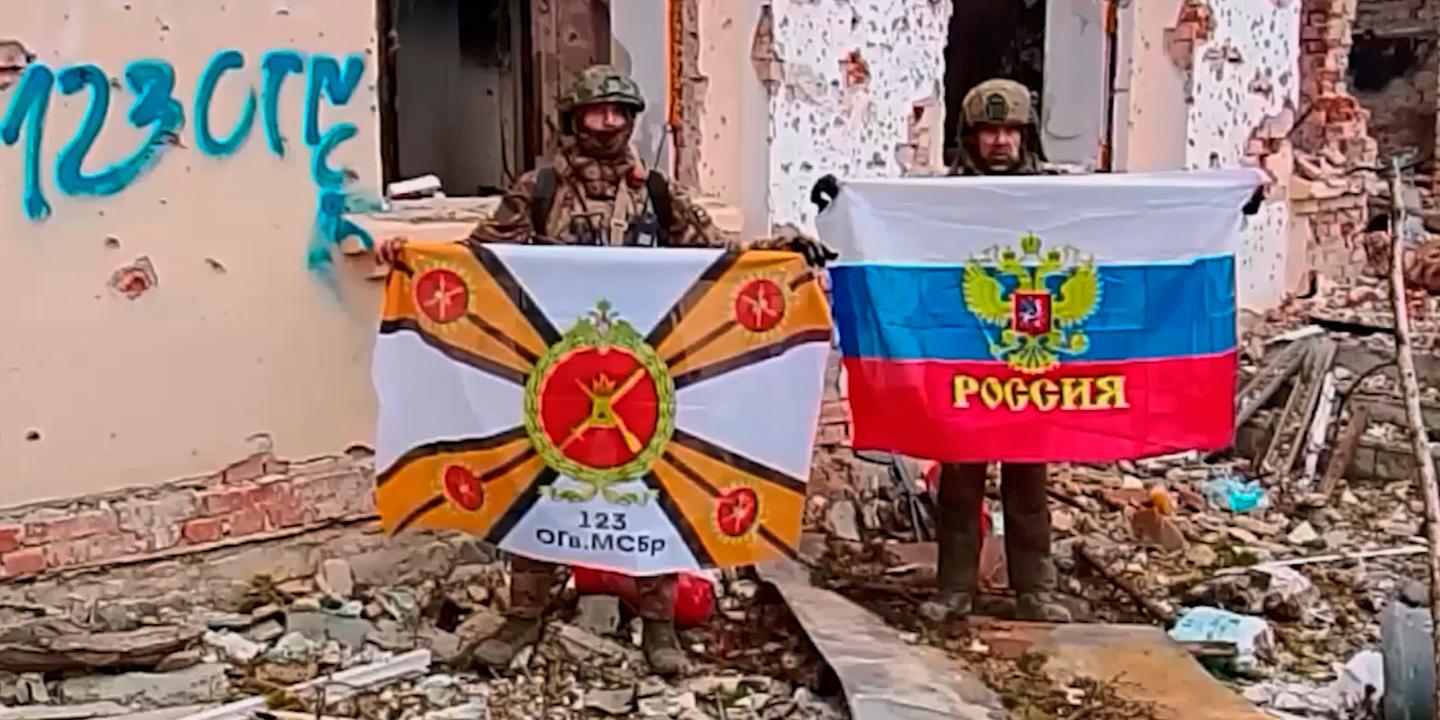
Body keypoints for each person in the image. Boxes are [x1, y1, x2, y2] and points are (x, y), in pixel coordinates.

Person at [378, 65, 830, 675]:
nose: (609, 123)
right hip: (554, 373)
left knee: (652, 491)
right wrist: (411, 255)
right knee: (541, 486)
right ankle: (523, 615)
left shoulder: (657, 193)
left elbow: (720, 258)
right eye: (597, 112)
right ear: (576, 119)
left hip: (641, 375)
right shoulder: (539, 189)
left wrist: (780, 251)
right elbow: (479, 258)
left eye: (619, 112)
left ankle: (659, 625)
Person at [918, 78, 1074, 625]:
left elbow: (1133, 213)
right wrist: (842, 201)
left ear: (1026, 135)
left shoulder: (1057, 196)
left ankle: (1035, 590)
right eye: (989, 130)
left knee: (1028, 480)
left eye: (1010, 130)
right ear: (970, 136)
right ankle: (954, 590)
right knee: (960, 481)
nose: (1000, 141)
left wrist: (1220, 204)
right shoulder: (942, 201)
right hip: (966, 354)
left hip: (1031, 353)